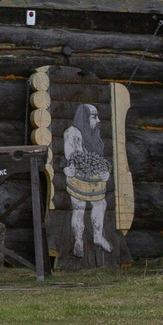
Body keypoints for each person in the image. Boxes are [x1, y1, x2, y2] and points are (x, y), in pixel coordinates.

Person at [59, 102, 114, 265]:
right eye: (94, 116)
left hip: (94, 179)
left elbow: (97, 157)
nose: (97, 120)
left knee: (100, 204)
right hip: (77, 176)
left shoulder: (94, 134)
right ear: (84, 117)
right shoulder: (72, 133)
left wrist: (104, 170)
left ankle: (98, 236)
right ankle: (78, 241)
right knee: (79, 207)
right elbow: (73, 157)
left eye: (97, 116)